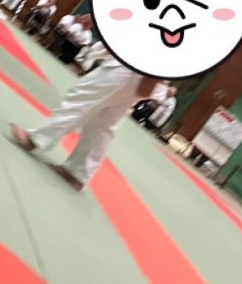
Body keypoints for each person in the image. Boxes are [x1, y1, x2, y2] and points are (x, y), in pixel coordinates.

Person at [11, 51, 159, 191]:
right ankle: (77, 172)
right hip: (141, 72)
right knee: (104, 123)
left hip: (134, 68)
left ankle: (37, 139)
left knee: (82, 99)